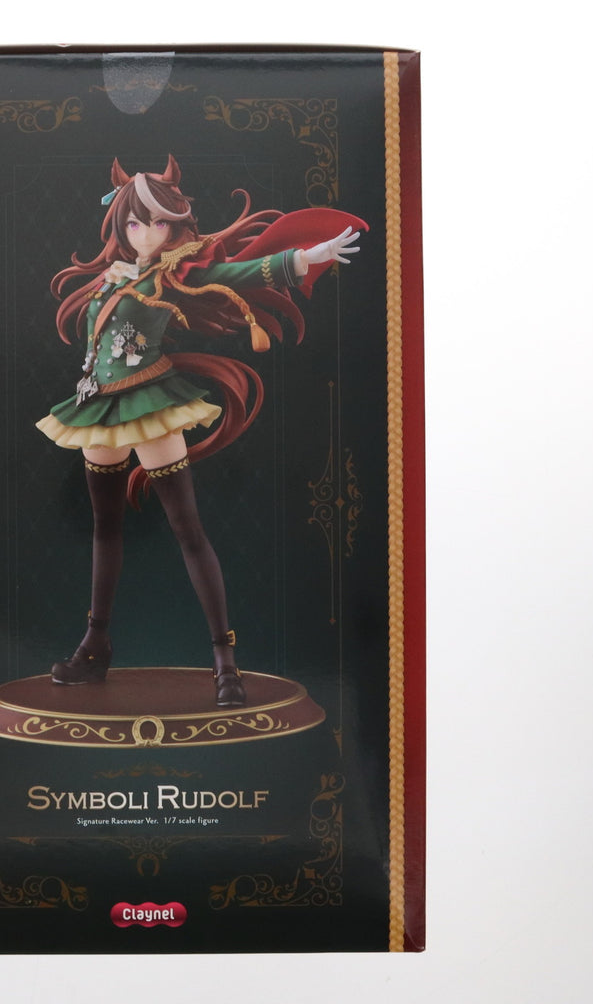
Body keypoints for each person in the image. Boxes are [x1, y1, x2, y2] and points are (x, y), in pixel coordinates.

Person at [36, 156, 364, 707]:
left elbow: (232, 274)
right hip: (96, 407)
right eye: (134, 223)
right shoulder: (115, 276)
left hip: (148, 400)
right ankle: (94, 646)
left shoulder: (174, 273)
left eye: (156, 223)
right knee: (104, 529)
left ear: (174, 226)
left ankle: (224, 661)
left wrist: (304, 259)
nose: (144, 234)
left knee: (187, 529)